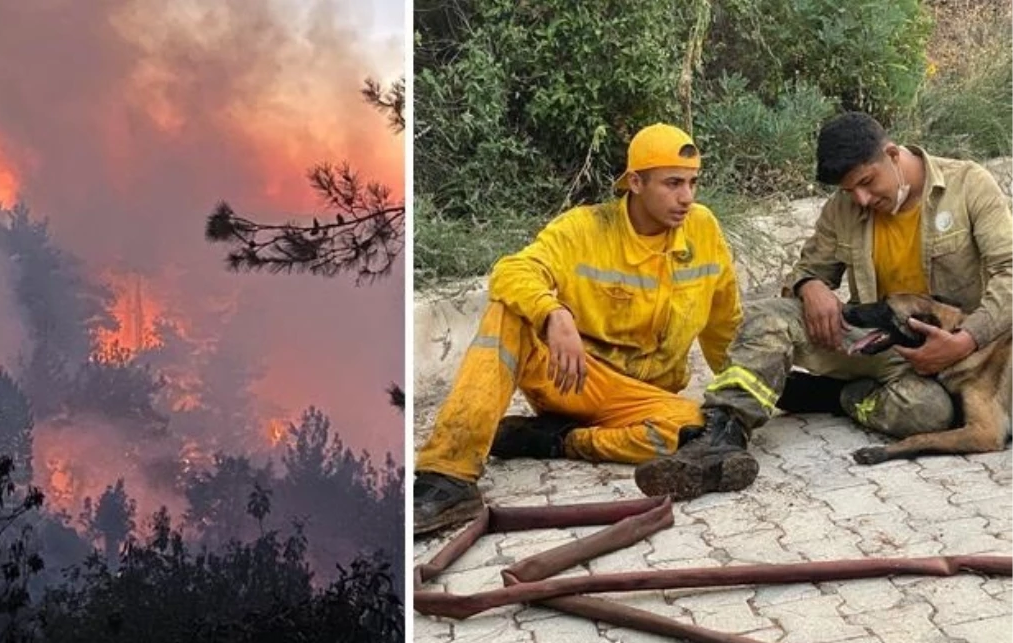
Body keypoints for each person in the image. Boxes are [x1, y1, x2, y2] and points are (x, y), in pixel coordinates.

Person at [634, 111, 1013, 501]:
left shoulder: (969, 185)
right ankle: (720, 436)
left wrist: (966, 339)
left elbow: (1010, 273)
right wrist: (809, 284)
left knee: (930, 414)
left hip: (968, 357)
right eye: (851, 191)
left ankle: (831, 397)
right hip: (878, 340)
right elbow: (806, 270)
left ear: (893, 154)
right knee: (767, 317)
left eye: (867, 182)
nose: (862, 199)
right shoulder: (843, 207)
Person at [412, 123, 744, 536]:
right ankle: (446, 476)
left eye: (693, 183)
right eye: (673, 183)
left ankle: (560, 441)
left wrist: (744, 392)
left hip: (642, 398)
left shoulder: (703, 229)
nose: (687, 197)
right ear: (636, 183)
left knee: (697, 427)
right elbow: (511, 271)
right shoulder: (584, 229)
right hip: (572, 377)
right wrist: (553, 314)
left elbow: (723, 324)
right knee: (507, 312)